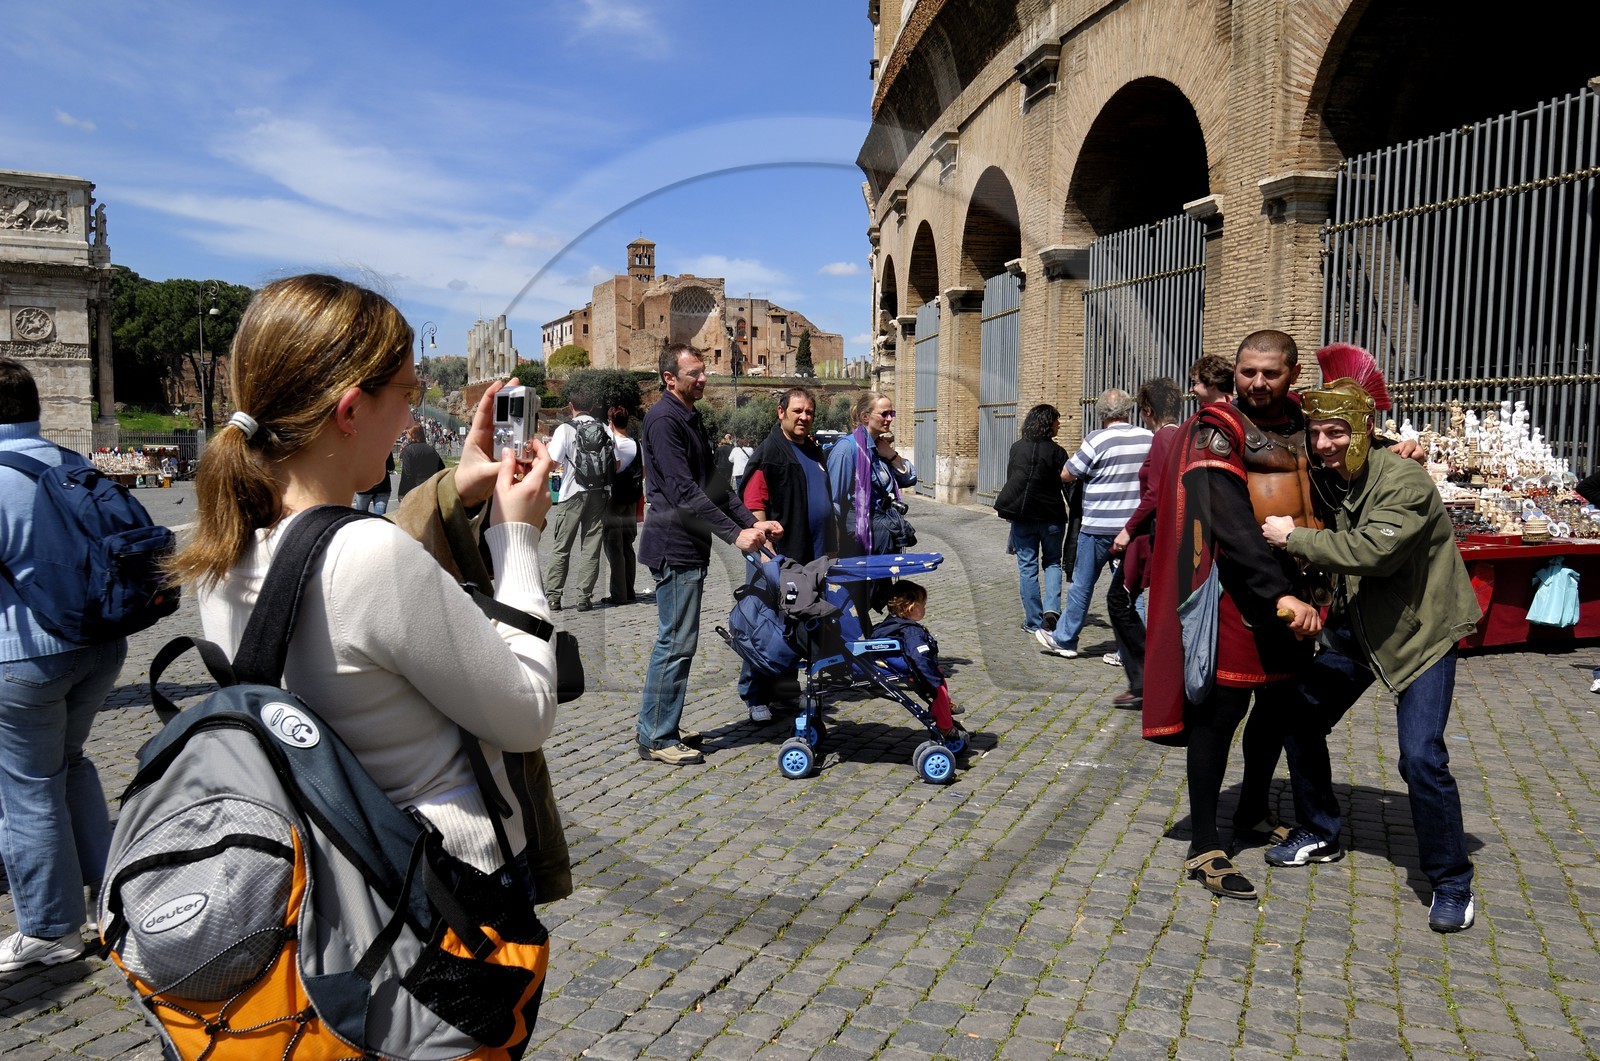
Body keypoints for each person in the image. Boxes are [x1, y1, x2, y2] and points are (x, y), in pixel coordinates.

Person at [175, 275, 558, 918]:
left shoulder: (224, 543)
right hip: (440, 882)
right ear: (350, 412)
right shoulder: (368, 559)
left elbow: (337, 567)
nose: (413, 416)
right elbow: (527, 715)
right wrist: (516, 539)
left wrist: (455, 489)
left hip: (337, 875)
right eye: (407, 394)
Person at [1261, 378, 1481, 932]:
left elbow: (1374, 552)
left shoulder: (1402, 480)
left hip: (1420, 635)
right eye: (1317, 433)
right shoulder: (1336, 474)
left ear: (1362, 430)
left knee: (1421, 759)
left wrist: (1294, 539)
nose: (1325, 443)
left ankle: (1451, 880)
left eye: (1337, 431)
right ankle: (1320, 829)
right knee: (1300, 716)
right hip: (1360, 630)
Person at [1142, 332, 1323, 901]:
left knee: (1276, 711)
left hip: (1303, 587)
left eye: (1270, 373)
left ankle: (1249, 811)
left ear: (1291, 373)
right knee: (1219, 718)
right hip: (1240, 595)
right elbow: (1230, 522)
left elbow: (1344, 459)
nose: (1257, 383)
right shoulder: (1216, 428)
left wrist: (1396, 448)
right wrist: (1278, 594)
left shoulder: (1303, 418)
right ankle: (1204, 843)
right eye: (1248, 372)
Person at [0, 357, 126, 972]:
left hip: (23, 656)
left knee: (27, 788)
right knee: (70, 764)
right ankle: (111, 903)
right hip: (98, 647)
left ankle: (49, 930)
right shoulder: (70, 463)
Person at [637, 344, 781, 766]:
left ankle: (660, 725)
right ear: (670, 378)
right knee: (676, 642)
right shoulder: (663, 420)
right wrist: (735, 535)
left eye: (704, 372)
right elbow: (683, 491)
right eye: (694, 373)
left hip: (689, 545)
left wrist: (750, 523)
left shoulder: (687, 417)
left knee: (678, 641)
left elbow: (716, 485)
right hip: (674, 545)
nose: (703, 379)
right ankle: (658, 737)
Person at [738, 387, 836, 722]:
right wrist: (767, 556)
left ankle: (784, 693)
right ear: (781, 412)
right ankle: (755, 695)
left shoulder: (813, 449)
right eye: (797, 411)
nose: (804, 417)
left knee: (797, 628)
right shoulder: (770, 452)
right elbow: (754, 504)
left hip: (812, 557)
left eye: (809, 412)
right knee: (766, 627)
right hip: (780, 557)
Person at [1035, 389, 1152, 659]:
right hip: (1133, 527)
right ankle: (1136, 648)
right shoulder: (1149, 438)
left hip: (1098, 526)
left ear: (1101, 413)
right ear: (1128, 410)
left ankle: (1065, 639)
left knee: (1082, 586)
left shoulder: (1096, 439)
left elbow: (1067, 473)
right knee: (1131, 589)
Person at [1104, 377, 1185, 709]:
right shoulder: (1177, 434)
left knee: (1119, 601)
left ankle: (1148, 678)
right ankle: (1146, 678)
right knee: (1124, 601)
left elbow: (1155, 493)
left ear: (1147, 410)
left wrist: (1127, 530)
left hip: (1148, 535)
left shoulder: (1163, 438)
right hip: (1152, 533)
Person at [996, 404, 1069, 633]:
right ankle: (1052, 611)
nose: (1059, 425)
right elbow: (1066, 485)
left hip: (1024, 516)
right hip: (1052, 517)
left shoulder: (1017, 448)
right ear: (1048, 424)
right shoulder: (1058, 453)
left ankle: (1034, 622)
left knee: (1028, 567)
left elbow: (1013, 480)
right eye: (1056, 421)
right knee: (1053, 563)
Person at [544, 381, 614, 612]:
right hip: (599, 493)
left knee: (561, 547)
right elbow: (615, 461)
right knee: (591, 547)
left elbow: (552, 461)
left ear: (571, 405)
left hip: (572, 492)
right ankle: (584, 598)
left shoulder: (564, 429)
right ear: (592, 406)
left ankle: (554, 597)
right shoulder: (604, 427)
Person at [827, 392, 917, 557]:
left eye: (892, 413)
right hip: (857, 534)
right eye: (884, 414)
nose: (889, 418)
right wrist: (833, 545)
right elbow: (834, 502)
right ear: (865, 417)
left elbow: (910, 478)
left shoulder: (881, 448)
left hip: (882, 530)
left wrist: (891, 455)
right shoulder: (847, 449)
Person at [871, 580, 962, 742]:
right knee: (938, 687)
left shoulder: (891, 623)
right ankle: (945, 727)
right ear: (912, 608)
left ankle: (945, 705)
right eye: (923, 605)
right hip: (908, 665)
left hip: (893, 660)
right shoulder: (912, 632)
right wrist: (933, 679)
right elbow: (919, 657)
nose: (925, 609)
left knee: (939, 676)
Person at [602, 403, 643, 606]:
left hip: (614, 499)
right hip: (631, 499)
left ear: (611, 422)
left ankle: (619, 594)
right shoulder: (636, 443)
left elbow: (615, 467)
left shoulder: (612, 442)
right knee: (628, 546)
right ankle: (630, 589)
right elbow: (643, 471)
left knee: (613, 545)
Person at [396, 423, 445, 500]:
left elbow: (406, 474)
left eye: (407, 432)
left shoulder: (408, 450)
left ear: (413, 434)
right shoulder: (430, 449)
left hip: (414, 487)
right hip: (431, 486)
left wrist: (401, 492)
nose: (405, 434)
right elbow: (441, 468)